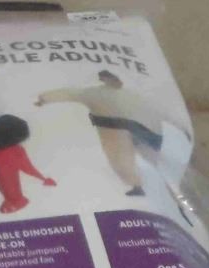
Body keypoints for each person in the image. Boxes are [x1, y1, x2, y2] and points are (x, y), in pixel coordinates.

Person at [35, 69, 166, 195]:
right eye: (110, 79)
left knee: (149, 155)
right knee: (120, 161)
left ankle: (158, 182)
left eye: (115, 79)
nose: (115, 82)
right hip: (112, 132)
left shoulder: (129, 94)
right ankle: (138, 186)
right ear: (104, 80)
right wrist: (44, 98)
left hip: (138, 128)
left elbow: (150, 108)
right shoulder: (95, 93)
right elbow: (70, 93)